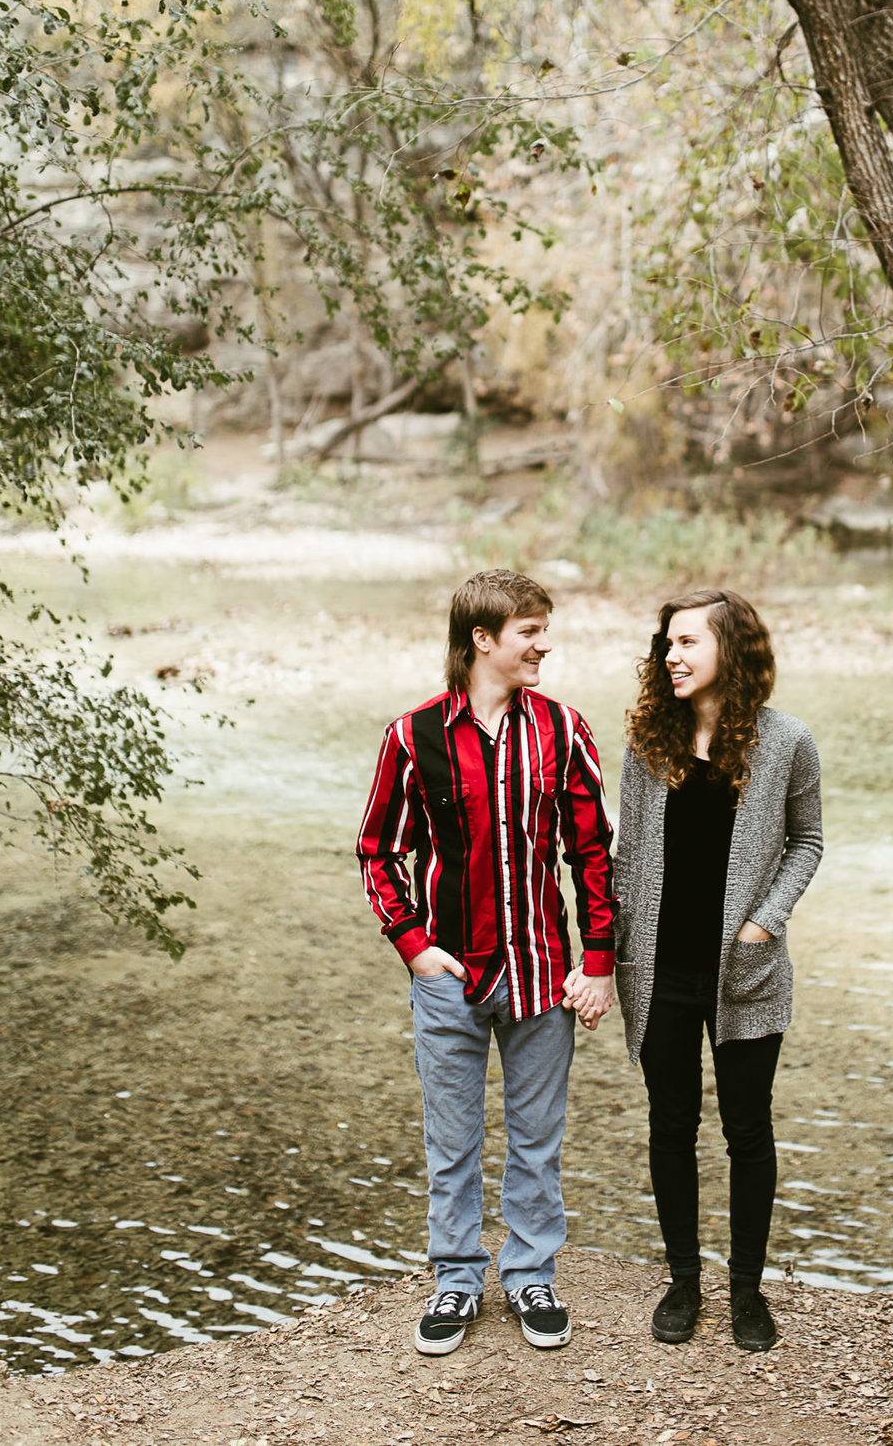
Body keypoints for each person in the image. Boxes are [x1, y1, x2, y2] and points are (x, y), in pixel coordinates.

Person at [354, 568, 615, 1358]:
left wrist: (598, 960)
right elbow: (377, 850)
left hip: (543, 974)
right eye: (529, 630)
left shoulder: (565, 731)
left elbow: (594, 853)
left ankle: (531, 1272)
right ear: (483, 639)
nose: (544, 643)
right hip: (450, 979)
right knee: (453, 1141)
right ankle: (457, 1279)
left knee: (538, 1139)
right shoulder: (414, 736)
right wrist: (413, 944)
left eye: (543, 628)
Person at [613, 587, 823, 1354]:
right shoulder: (648, 742)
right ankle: (683, 1281)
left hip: (748, 971)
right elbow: (626, 854)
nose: (672, 654)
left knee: (747, 1130)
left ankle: (745, 1291)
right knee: (670, 1125)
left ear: (731, 649)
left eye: (689, 641)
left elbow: (809, 841)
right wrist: (604, 955)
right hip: (660, 969)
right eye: (667, 642)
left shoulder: (787, 740)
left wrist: (765, 918)